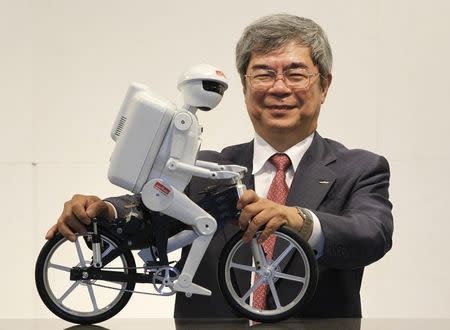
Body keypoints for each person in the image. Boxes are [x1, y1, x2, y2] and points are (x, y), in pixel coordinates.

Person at [45, 13, 393, 318]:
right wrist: (102, 212)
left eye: (296, 73)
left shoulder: (360, 169)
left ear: (324, 85)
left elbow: (370, 235)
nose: (279, 88)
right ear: (244, 87)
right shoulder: (201, 170)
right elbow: (148, 206)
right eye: (263, 74)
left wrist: (297, 220)